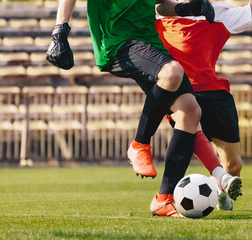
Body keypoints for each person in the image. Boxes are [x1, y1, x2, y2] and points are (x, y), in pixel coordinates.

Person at [47, 0, 215, 217]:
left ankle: (164, 199)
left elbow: (161, 6)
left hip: (150, 41)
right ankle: (140, 144)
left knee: (190, 111)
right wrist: (59, 33)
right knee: (172, 72)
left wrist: (187, 8)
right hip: (118, 41)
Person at [156, 0, 252, 210]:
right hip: (180, 91)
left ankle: (220, 189)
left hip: (214, 92)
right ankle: (167, 198)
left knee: (234, 165)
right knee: (191, 127)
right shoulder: (160, 13)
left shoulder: (218, 12)